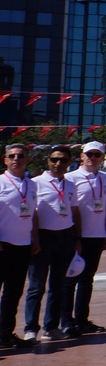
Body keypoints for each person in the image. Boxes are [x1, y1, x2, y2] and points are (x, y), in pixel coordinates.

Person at [23, 144, 80, 341]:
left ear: (69, 162)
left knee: (58, 285)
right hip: (43, 238)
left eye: (63, 160)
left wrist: (76, 238)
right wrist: (34, 239)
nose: (58, 163)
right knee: (36, 286)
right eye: (54, 159)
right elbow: (31, 212)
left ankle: (51, 326)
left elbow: (74, 211)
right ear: (48, 161)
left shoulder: (71, 185)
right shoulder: (35, 183)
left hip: (65, 237)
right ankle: (31, 327)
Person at [62, 141, 106, 336]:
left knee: (87, 280)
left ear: (102, 157)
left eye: (97, 154)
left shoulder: (105, 177)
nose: (92, 158)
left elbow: (105, 206)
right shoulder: (70, 177)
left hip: (97, 235)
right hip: (77, 236)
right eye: (89, 154)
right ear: (81, 156)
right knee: (70, 280)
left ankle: (82, 320)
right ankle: (66, 321)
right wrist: (74, 237)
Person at [0, 143, 39, 347]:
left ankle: (5, 334)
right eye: (11, 155)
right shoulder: (0, 182)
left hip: (23, 245)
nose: (16, 158)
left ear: (26, 159)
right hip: (3, 245)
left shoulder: (31, 185)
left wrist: (35, 240)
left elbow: (32, 214)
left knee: (13, 293)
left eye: (20, 155)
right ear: (5, 159)